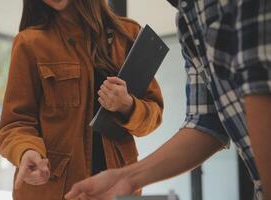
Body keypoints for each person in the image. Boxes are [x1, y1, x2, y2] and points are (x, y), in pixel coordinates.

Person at [64, 0, 271, 199]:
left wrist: (128, 106)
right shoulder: (187, 16)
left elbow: (261, 87)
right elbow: (206, 122)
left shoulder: (127, 34)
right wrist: (126, 177)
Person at [0, 0, 164, 199]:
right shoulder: (30, 42)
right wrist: (26, 151)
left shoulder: (127, 34)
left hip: (117, 189)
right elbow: (14, 124)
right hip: (52, 190)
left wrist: (127, 105)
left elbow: (153, 116)